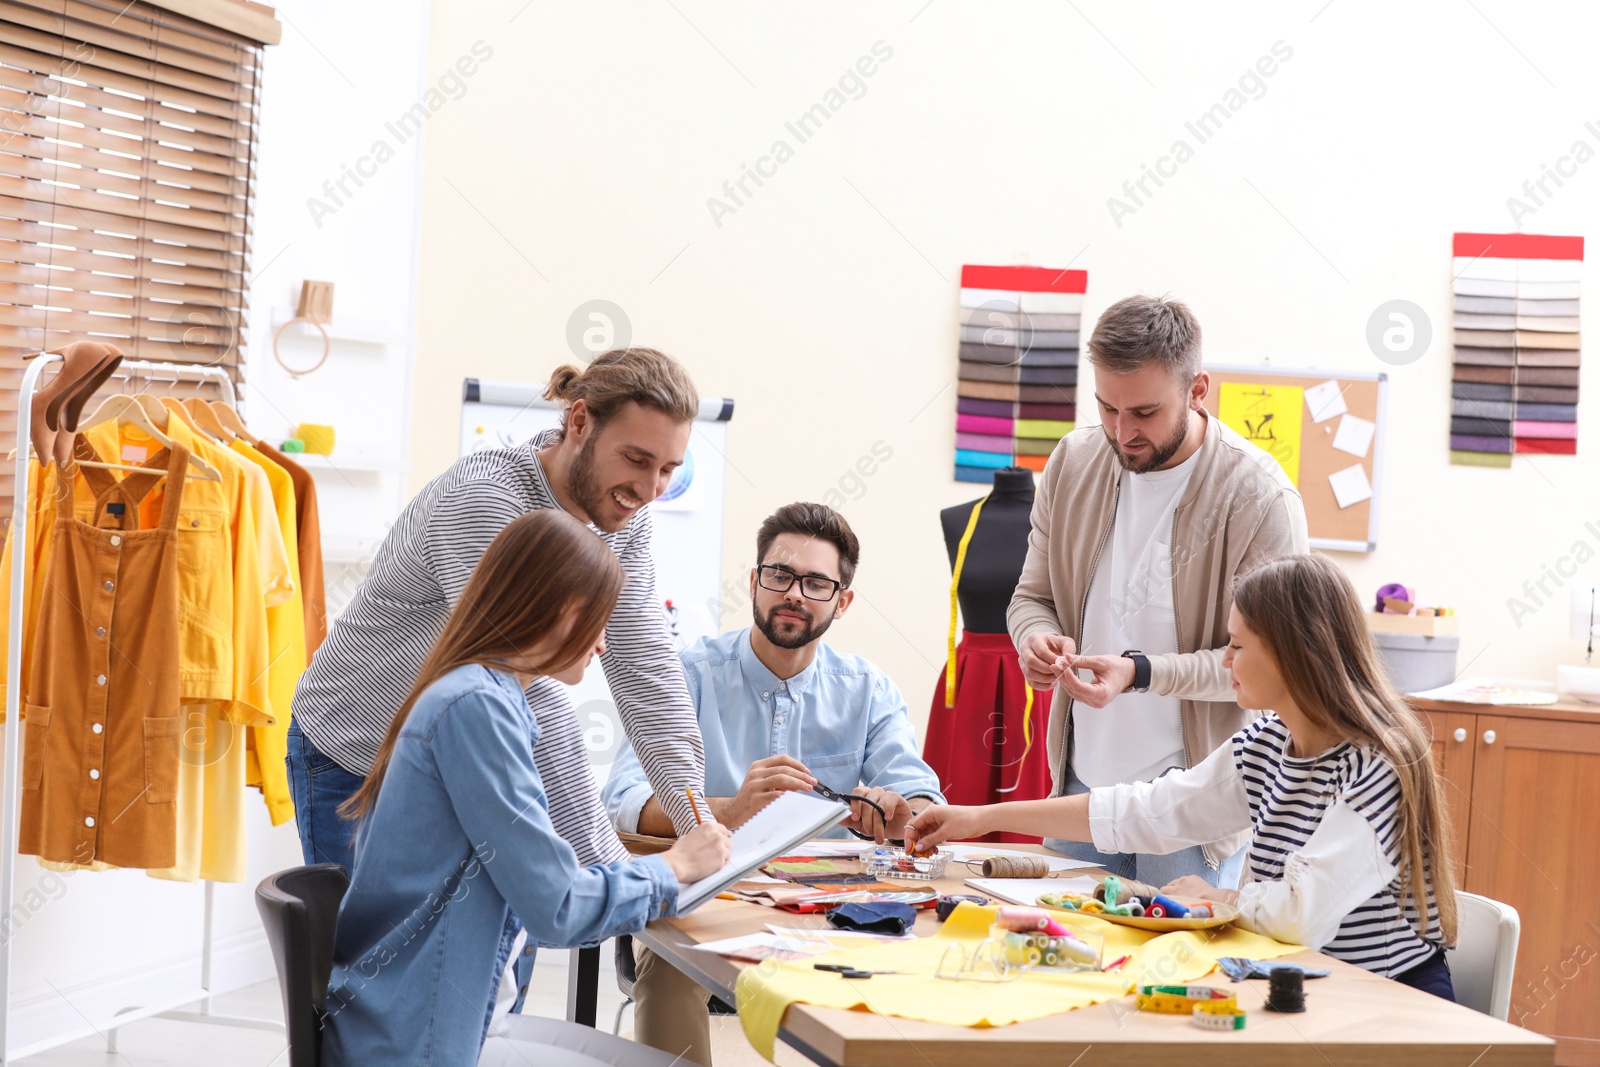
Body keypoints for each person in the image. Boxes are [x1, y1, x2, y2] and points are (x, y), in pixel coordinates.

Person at [910, 554, 1458, 1000]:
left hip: (1382, 1001)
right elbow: (1144, 812)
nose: (1225, 661)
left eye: (1238, 646)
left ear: (1296, 653)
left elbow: (1299, 916)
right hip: (1302, 986)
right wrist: (979, 818)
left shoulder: (1379, 765)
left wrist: (1220, 900)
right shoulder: (1268, 742)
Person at [322, 511, 732, 1066]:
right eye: (602, 620)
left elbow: (551, 879)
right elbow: (558, 909)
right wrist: (676, 865)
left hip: (454, 1019)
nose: (605, 645)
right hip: (423, 1039)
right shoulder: (478, 708)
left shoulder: (484, 696)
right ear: (565, 609)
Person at [288, 347, 713, 879]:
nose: (650, 490)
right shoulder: (486, 500)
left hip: (467, 760)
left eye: (669, 469)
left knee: (499, 954)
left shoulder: (621, 514)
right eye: (637, 459)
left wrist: (695, 827)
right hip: (361, 753)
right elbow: (524, 685)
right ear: (580, 421)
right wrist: (620, 875)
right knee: (379, 959)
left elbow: (645, 664)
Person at [601, 502, 945, 1066]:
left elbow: (921, 792)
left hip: (829, 899)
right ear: (755, 581)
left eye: (816, 583)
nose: (794, 594)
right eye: (780, 575)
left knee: (918, 964)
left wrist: (899, 809)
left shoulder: (867, 687)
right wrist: (725, 811)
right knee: (668, 969)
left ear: (843, 601)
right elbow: (624, 800)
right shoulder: (689, 673)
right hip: (712, 892)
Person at [1007, 294, 1308, 886]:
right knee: (1062, 967)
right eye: (1106, 408)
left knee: (1178, 976)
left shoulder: (1260, 499)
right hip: (1080, 788)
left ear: (1198, 390)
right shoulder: (1072, 462)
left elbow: (1272, 667)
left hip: (1193, 806)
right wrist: (1035, 638)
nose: (1122, 432)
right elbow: (1030, 596)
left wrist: (1139, 672)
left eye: (1144, 412)